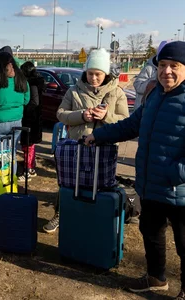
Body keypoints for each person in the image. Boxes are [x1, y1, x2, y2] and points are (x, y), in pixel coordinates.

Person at [84, 41, 185, 299]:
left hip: (179, 190)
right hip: (150, 185)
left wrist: (175, 175)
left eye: (174, 66)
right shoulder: (154, 96)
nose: (167, 72)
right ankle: (156, 278)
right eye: (162, 65)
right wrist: (100, 136)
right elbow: (131, 125)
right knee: (151, 233)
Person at [43, 48, 129, 234]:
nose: (94, 78)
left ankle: (94, 219)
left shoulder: (117, 93)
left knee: (101, 186)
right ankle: (61, 213)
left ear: (105, 74)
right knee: (69, 183)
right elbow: (61, 114)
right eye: (90, 74)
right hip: (77, 146)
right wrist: (81, 115)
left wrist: (106, 116)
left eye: (98, 74)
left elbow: (124, 122)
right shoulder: (73, 91)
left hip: (105, 149)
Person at [18, 61, 45, 181]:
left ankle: (28, 169)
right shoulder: (37, 81)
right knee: (29, 144)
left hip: (31, 117)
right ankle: (30, 167)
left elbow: (34, 102)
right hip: (34, 117)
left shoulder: (32, 84)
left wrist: (23, 109)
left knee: (28, 144)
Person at [133, 41, 168, 110]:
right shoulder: (149, 68)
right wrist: (152, 83)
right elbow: (138, 85)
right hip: (143, 110)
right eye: (162, 64)